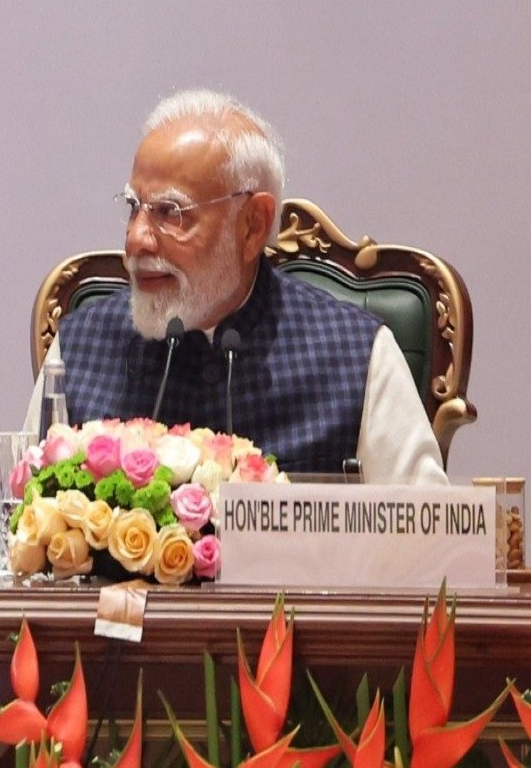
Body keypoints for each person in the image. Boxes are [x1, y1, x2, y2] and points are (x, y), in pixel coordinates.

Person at [25, 88, 445, 485]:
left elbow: (430, 544)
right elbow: (10, 540)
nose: (136, 239)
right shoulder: (81, 344)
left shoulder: (357, 353)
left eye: (170, 212)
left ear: (252, 226)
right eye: (134, 207)